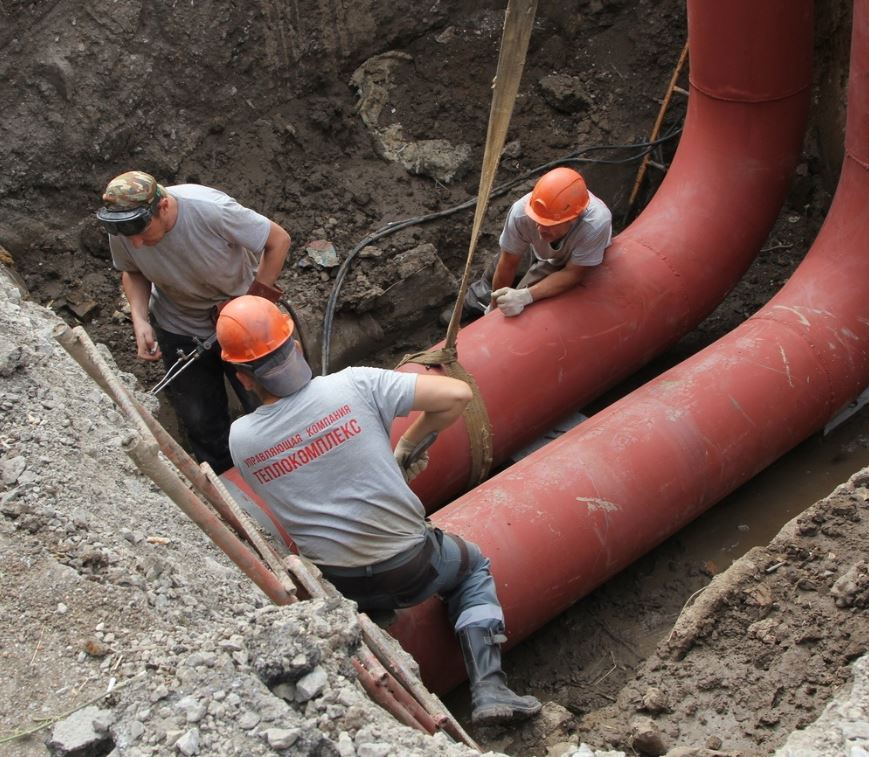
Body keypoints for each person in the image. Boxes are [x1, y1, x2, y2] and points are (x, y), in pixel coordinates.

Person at [217, 295, 542, 726]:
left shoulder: (240, 440)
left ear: (242, 378)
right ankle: (489, 688)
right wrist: (408, 445)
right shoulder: (352, 385)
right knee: (472, 567)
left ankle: (376, 617)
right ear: (294, 345)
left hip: (340, 585)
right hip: (412, 565)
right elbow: (457, 393)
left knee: (359, 575)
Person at [95, 170, 291, 474]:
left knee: (272, 404)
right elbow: (133, 271)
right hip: (180, 324)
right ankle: (231, 488)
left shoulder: (209, 209)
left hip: (241, 317)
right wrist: (140, 318)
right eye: (127, 235)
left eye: (142, 231)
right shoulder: (127, 226)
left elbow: (278, 241)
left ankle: (287, 468)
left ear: (162, 207)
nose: (135, 242)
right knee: (202, 420)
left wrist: (254, 303)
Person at [463, 166, 612, 319]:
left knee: (519, 299)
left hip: (566, 259)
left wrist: (525, 295)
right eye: (537, 220)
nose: (540, 229)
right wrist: (493, 306)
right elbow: (508, 263)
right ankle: (473, 304)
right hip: (536, 246)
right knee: (494, 274)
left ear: (572, 219)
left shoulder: (595, 225)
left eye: (549, 224)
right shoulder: (521, 213)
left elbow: (573, 273)